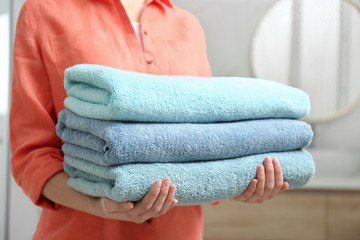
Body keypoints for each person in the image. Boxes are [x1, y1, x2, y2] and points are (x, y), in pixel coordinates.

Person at [9, 0, 289, 239]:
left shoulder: (188, 26)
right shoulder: (43, 11)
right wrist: (99, 203)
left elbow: (206, 141)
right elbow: (31, 154)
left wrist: (240, 182)